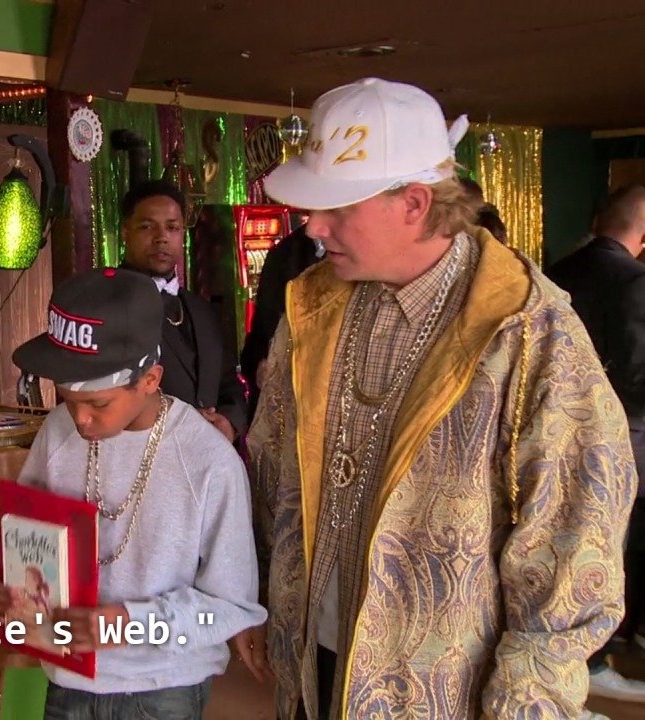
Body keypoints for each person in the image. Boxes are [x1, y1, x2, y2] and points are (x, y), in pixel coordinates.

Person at [246, 77, 636, 720]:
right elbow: (272, 469)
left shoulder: (526, 331)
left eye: (337, 207)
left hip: (440, 687)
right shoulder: (314, 306)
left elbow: (574, 544)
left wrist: (524, 704)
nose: (313, 226)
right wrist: (262, 598)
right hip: (313, 659)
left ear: (414, 203)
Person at [0, 267, 268, 719]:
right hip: (69, 679)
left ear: (151, 379)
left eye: (98, 403)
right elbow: (22, 534)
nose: (80, 420)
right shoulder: (57, 433)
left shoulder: (208, 462)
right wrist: (2, 578)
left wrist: (129, 624)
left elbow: (229, 608)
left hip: (162, 687)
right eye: (67, 400)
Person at [547, 184, 645, 702]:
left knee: (566, 549)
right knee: (609, 550)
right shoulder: (633, 279)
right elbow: (635, 376)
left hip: (555, 433)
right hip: (618, 440)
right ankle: (594, 658)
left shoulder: (558, 269)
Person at [116, 181, 248, 442]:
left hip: (209, 455)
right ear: (125, 233)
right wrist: (179, 424)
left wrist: (228, 422)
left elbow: (228, 381)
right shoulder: (109, 305)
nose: (161, 237)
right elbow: (105, 395)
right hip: (143, 454)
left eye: (172, 227)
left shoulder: (201, 309)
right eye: (147, 226)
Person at [239, 224, 323, 421]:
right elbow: (261, 333)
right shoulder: (285, 254)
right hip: (291, 408)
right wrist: (259, 364)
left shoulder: (370, 259)